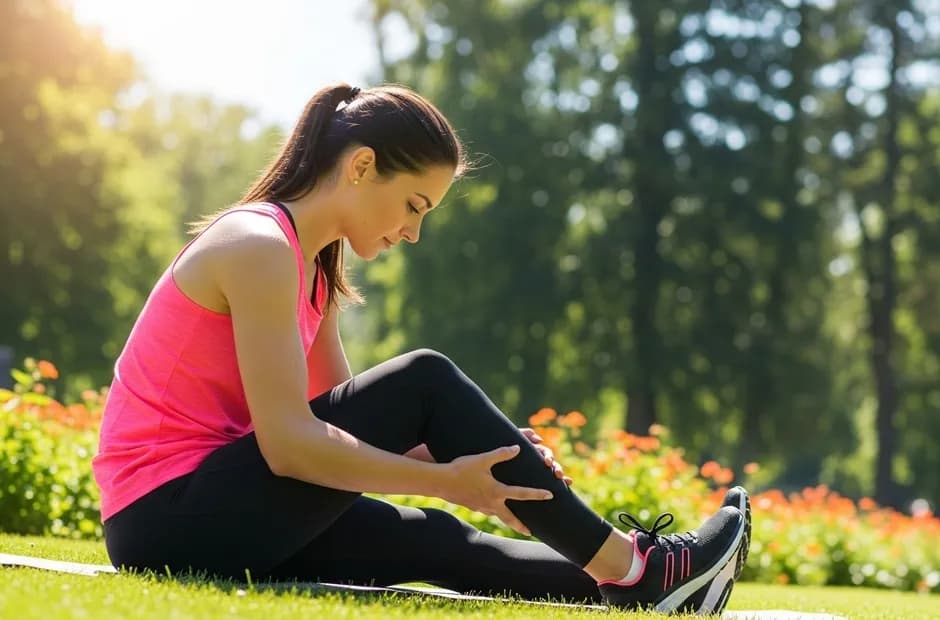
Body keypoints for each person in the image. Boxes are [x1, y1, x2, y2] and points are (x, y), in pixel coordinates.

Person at [92, 83, 751, 614]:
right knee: (423, 380)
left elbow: (329, 425)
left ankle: (643, 586)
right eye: (413, 205)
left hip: (215, 511)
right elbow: (290, 446)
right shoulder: (258, 247)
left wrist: (481, 460)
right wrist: (445, 481)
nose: (412, 232)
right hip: (166, 519)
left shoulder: (309, 268)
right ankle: (639, 565)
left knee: (430, 541)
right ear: (360, 166)